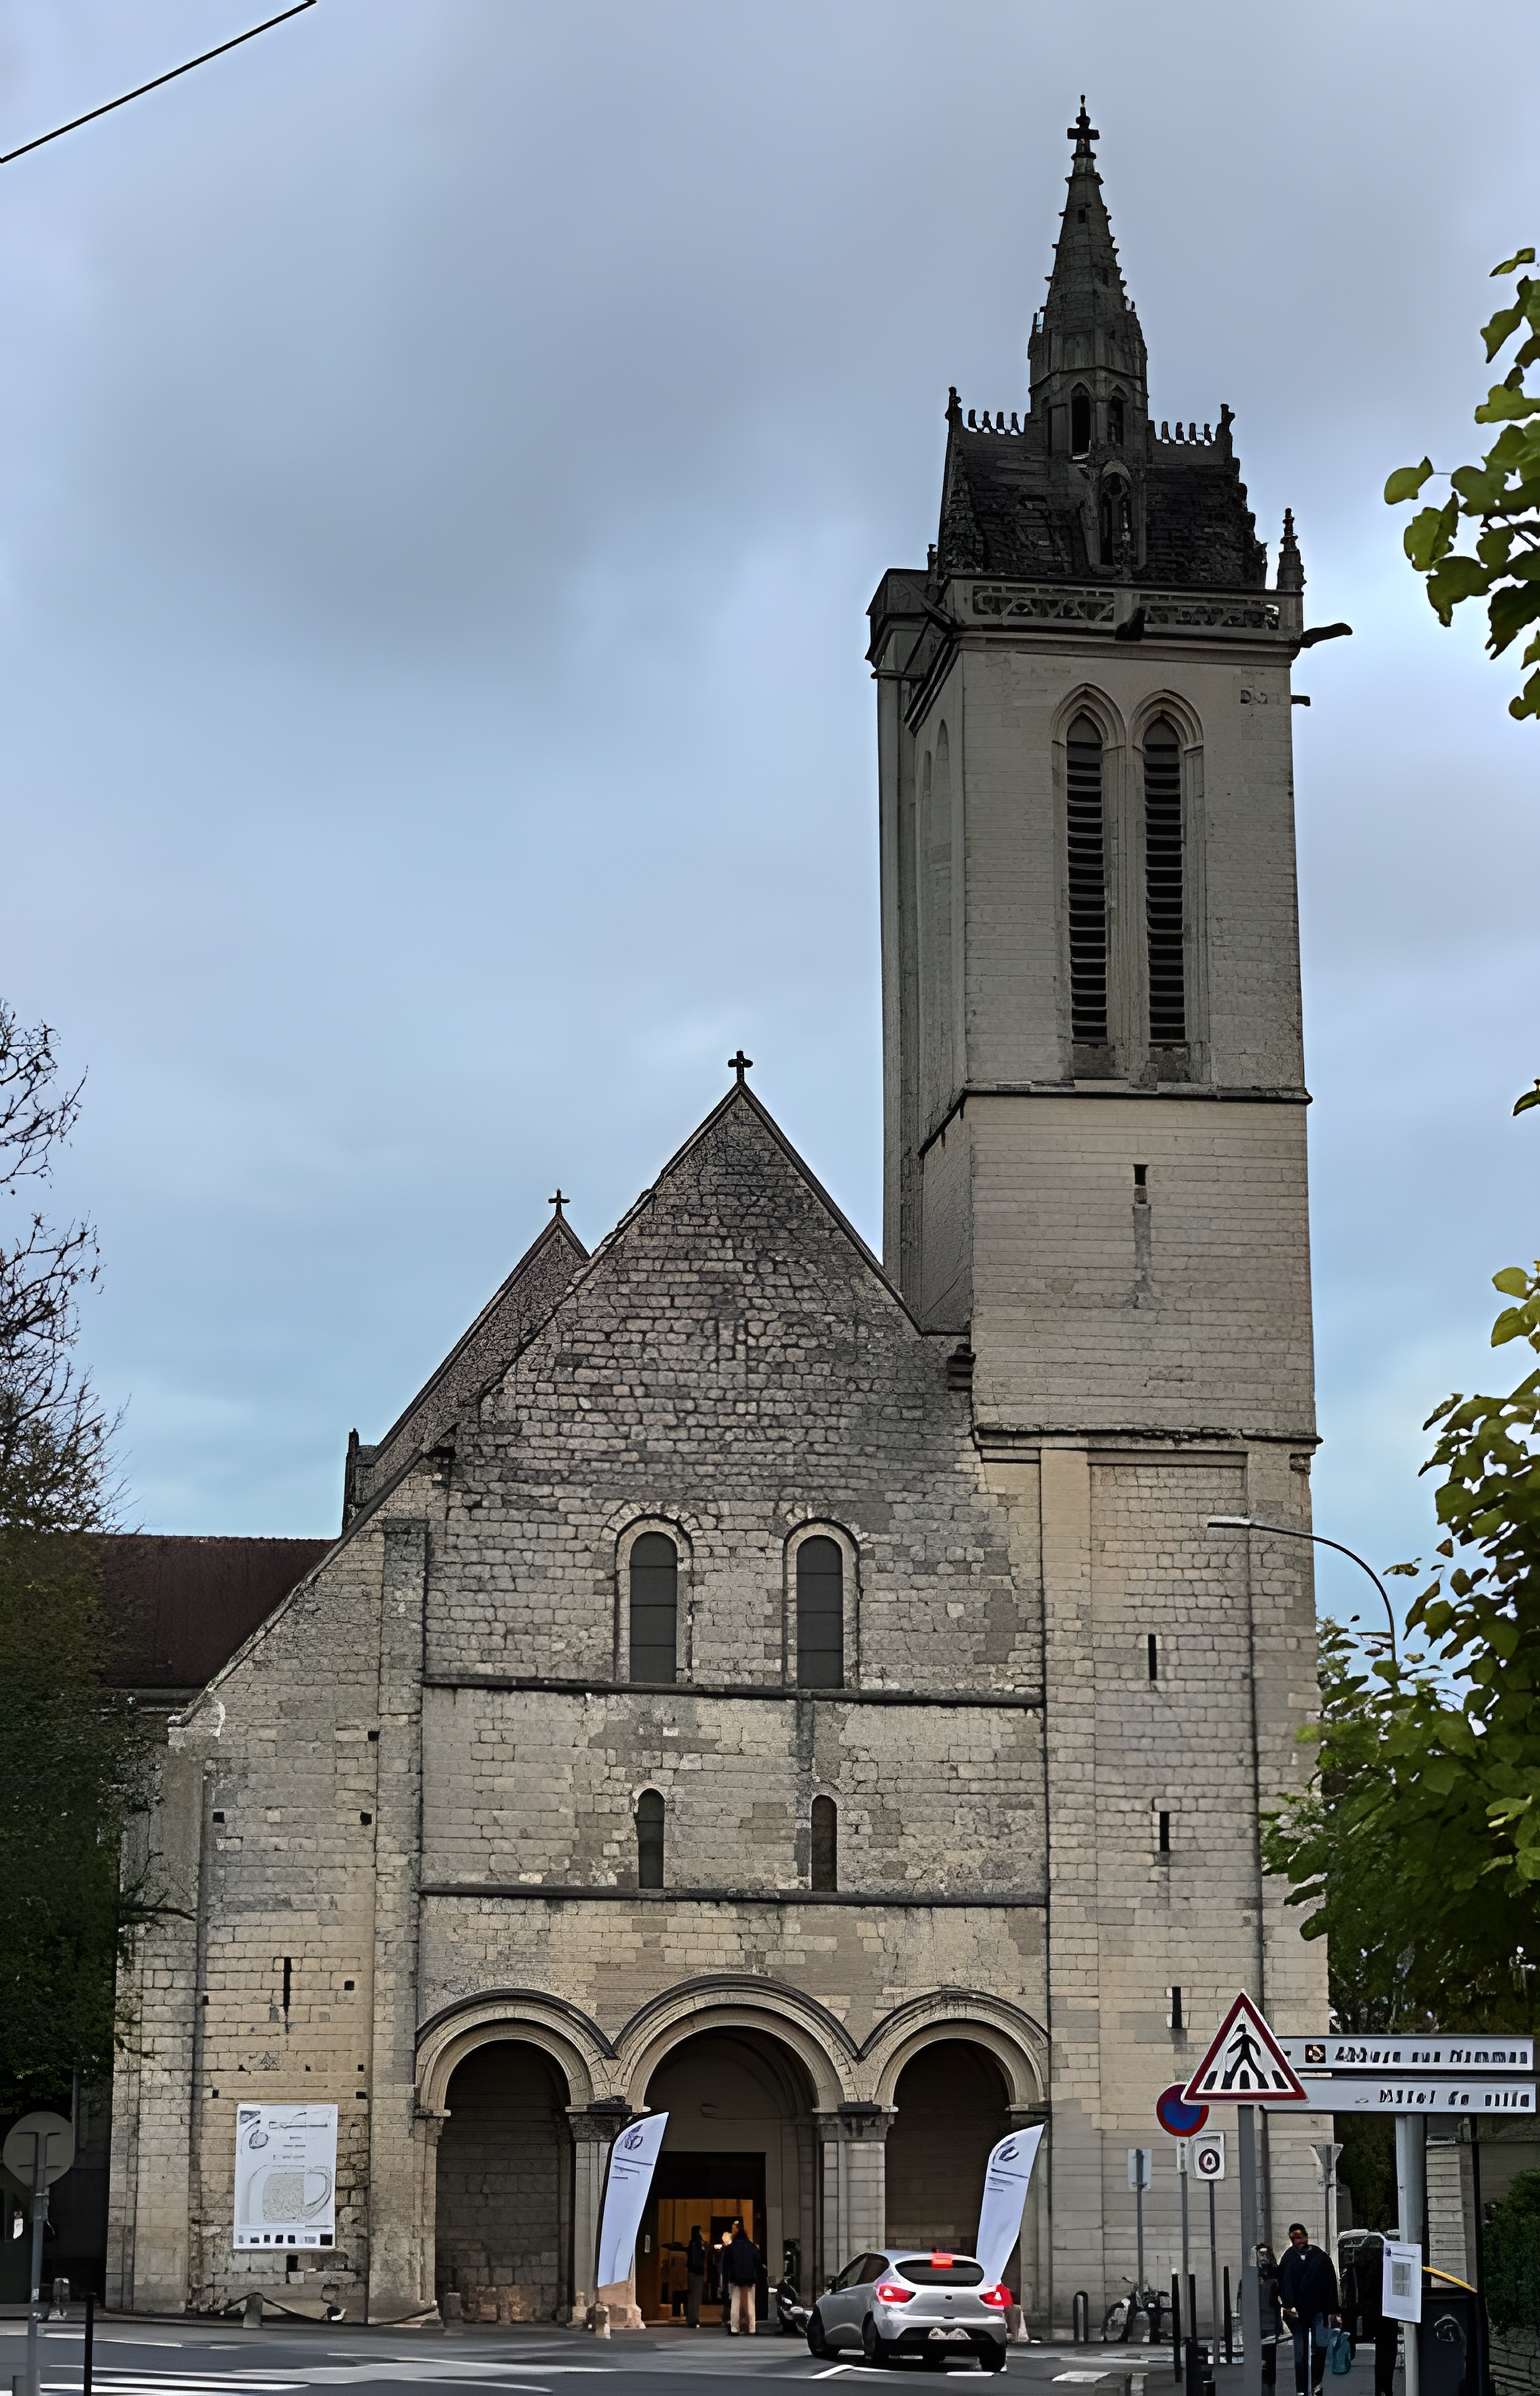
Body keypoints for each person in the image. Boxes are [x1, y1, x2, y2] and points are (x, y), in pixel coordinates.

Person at [1277, 2222, 1340, 2395]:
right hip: (1297, 2313)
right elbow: (1283, 2283)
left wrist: (1333, 2310)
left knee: (1319, 2348)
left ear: (1306, 2236)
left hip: (1318, 2311)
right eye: (1294, 2238)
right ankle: (1301, 2390)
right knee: (1300, 2354)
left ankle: (1316, 2384)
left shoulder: (1320, 2257)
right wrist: (1287, 2305)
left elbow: (1330, 2283)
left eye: (1299, 2236)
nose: (1298, 2240)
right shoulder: (1288, 2258)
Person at [1341, 2235, 1398, 2396]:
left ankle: (1380, 2388)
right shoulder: (1388, 2265)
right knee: (1386, 2353)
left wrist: (1349, 2328)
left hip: (1367, 2316)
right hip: (1387, 2314)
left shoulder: (1355, 2267)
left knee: (1381, 2353)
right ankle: (1384, 2387)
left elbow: (1349, 2297)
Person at [724, 2220, 762, 2336]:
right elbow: (758, 2262)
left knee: (735, 2303)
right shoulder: (751, 2246)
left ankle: (735, 2328)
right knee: (750, 2303)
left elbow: (726, 2264)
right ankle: (751, 2328)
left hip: (736, 2278)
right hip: (750, 2278)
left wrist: (727, 2279)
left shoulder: (731, 2247)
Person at [1258, 2245, 1284, 2390]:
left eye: (1264, 2254)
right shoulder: (1252, 2275)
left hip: (1270, 2324)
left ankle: (1269, 2388)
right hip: (1257, 2323)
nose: (1262, 2258)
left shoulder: (1274, 2275)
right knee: (1261, 2361)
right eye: (1260, 2254)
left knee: (1269, 2359)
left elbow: (1281, 2297)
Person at [685, 2225, 708, 2330]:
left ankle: (690, 2318)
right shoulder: (699, 2243)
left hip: (691, 2272)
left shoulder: (691, 2242)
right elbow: (700, 2258)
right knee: (696, 2297)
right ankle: (694, 2319)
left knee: (691, 2297)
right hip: (697, 2273)